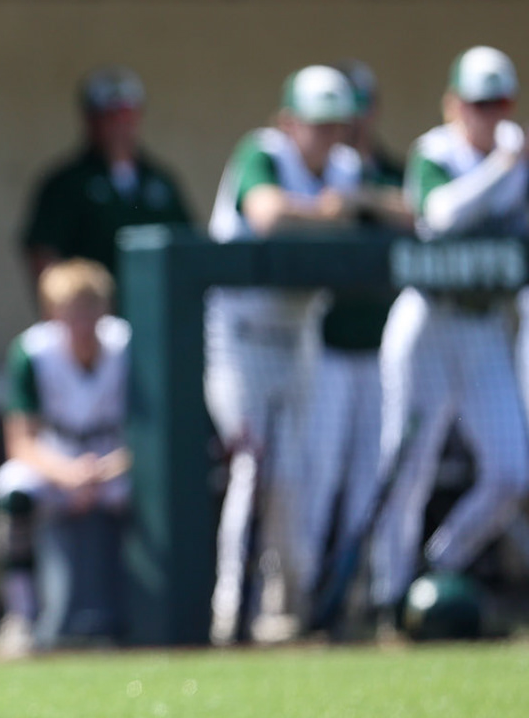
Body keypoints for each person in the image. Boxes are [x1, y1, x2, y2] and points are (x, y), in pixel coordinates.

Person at [203, 67, 367, 645]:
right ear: (288, 122)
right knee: (254, 468)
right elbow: (266, 214)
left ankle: (282, 607)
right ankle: (229, 611)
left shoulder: (347, 168)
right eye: (315, 125)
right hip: (241, 338)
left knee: (300, 477)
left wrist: (346, 205)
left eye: (334, 125)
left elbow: (386, 213)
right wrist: (330, 211)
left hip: (300, 336)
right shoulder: (263, 152)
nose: (325, 137)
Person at [373, 47, 529, 621]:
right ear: (453, 105)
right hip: (428, 324)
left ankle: (439, 566)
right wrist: (504, 168)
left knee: (514, 471)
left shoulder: (518, 154)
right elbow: (438, 215)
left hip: (485, 327)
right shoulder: (435, 151)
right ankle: (389, 593)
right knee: (408, 462)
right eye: (477, 103)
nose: (489, 114)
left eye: (499, 103)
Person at [297, 61, 410, 630]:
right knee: (319, 475)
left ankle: (369, 594)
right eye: (345, 113)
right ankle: (310, 596)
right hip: (327, 346)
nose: (354, 122)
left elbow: (417, 213)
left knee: (375, 475)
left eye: (361, 109)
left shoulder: (384, 170)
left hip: (382, 348)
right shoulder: (320, 171)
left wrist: (363, 197)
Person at [0, 260, 131, 655]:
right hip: (57, 456)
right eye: (71, 313)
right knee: (12, 490)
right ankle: (21, 615)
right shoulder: (33, 350)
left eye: (90, 310)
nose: (81, 324)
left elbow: (153, 433)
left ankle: (145, 612)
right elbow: (21, 441)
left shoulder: (128, 344)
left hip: (115, 458)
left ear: (105, 309)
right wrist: (69, 474)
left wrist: (106, 469)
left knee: (162, 492)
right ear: (53, 314)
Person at [21, 66, 193, 286]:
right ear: (91, 120)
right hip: (94, 314)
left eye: (128, 114)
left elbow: (188, 244)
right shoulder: (65, 184)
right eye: (111, 116)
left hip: (156, 310)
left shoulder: (160, 181)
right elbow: (43, 254)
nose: (121, 125)